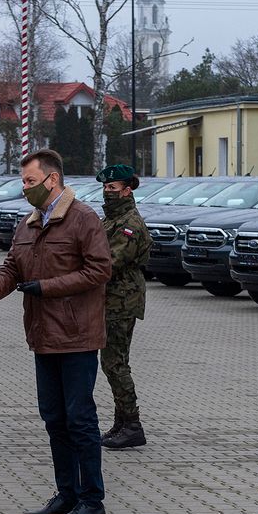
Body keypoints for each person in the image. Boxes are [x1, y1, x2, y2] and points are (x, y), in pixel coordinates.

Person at [0, 149, 112, 514]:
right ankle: (67, 495)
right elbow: (12, 265)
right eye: (23, 182)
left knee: (80, 420)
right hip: (43, 335)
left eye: (30, 181)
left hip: (76, 335)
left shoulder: (83, 219)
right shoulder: (29, 223)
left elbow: (100, 270)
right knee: (54, 419)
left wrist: (47, 288)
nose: (24, 188)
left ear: (52, 180)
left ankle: (92, 501)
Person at [96, 164, 152, 449]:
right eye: (105, 188)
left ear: (127, 190)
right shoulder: (112, 220)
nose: (107, 193)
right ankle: (121, 423)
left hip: (122, 300)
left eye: (113, 189)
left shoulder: (129, 224)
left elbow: (110, 261)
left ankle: (132, 425)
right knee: (113, 363)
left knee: (115, 364)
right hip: (111, 299)